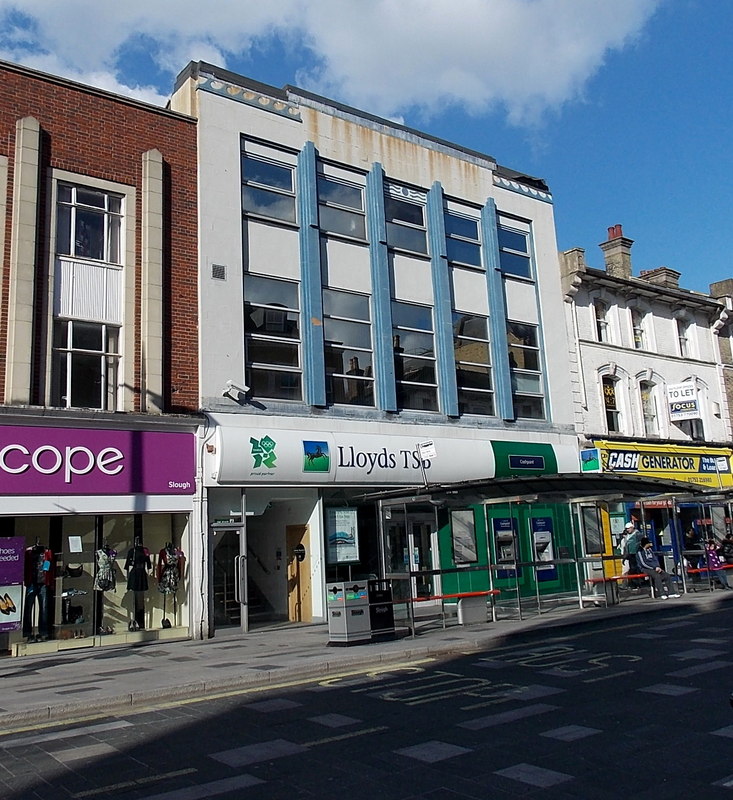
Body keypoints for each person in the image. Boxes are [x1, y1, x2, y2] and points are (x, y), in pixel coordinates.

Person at [623, 522, 643, 588]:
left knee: (636, 569)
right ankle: (633, 584)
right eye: (626, 529)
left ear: (632, 527)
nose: (627, 530)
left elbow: (643, 543)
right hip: (630, 555)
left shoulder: (638, 534)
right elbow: (626, 547)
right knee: (632, 569)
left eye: (628, 529)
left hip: (637, 554)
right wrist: (625, 556)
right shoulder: (627, 536)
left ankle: (638, 584)